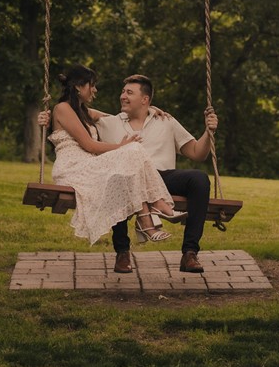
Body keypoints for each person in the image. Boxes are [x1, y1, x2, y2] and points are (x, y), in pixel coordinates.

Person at [45, 66, 187, 272]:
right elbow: (90, 146)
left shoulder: (82, 111)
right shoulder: (63, 109)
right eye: (91, 85)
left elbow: (112, 117)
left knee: (127, 166)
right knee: (132, 150)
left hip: (88, 165)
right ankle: (157, 206)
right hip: (73, 168)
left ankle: (147, 219)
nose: (94, 90)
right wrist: (122, 147)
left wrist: (151, 109)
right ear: (78, 87)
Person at [95, 75, 217, 274]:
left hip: (162, 177)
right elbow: (77, 113)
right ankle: (122, 251)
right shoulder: (109, 123)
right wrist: (49, 118)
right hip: (127, 179)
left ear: (145, 99)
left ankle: (190, 253)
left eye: (129, 92)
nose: (122, 96)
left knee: (199, 179)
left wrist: (208, 131)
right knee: (117, 178)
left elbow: (197, 153)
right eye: (123, 92)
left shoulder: (166, 121)